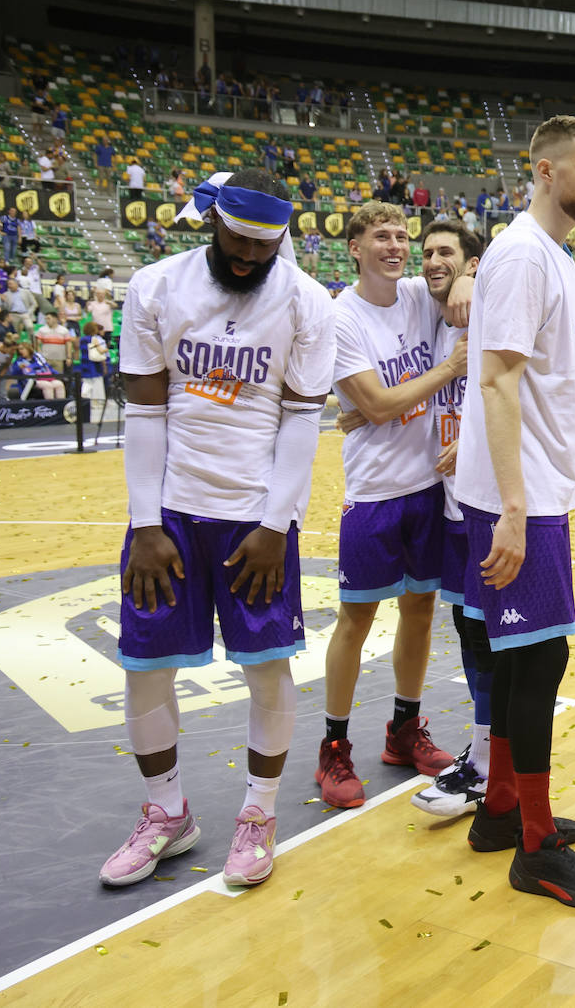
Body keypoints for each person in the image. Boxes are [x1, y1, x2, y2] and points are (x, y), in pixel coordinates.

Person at [98, 169, 335, 890]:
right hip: (168, 510)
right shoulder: (155, 286)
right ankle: (167, 814)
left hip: (256, 519)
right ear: (213, 219)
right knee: (144, 668)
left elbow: (301, 420)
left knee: (267, 668)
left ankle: (258, 816)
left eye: (265, 245)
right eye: (237, 239)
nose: (248, 256)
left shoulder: (307, 301)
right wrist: (145, 523)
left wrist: (276, 525)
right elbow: (144, 411)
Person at [453, 115, 575, 907]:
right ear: (544, 169)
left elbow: (547, 380)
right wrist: (518, 507)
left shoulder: (552, 257)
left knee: (522, 658)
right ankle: (535, 845)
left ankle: (499, 810)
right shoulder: (526, 253)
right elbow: (496, 381)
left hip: (537, 484)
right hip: (516, 498)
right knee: (539, 661)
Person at [315, 202, 470, 808]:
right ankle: (333, 747)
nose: (397, 246)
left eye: (402, 236)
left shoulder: (413, 293)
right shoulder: (342, 317)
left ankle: (404, 729)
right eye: (381, 236)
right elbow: (377, 406)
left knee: (420, 612)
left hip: (427, 487)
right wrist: (446, 370)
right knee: (355, 620)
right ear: (353, 246)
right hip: (374, 493)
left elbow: (458, 275)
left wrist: (472, 276)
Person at [406, 220, 494, 818]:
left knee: (494, 639)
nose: (434, 261)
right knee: (469, 633)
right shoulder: (437, 321)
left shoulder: (486, 306)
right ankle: (486, 756)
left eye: (447, 254)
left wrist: (475, 277)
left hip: (488, 503)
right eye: (428, 253)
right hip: (450, 506)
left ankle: (491, 766)